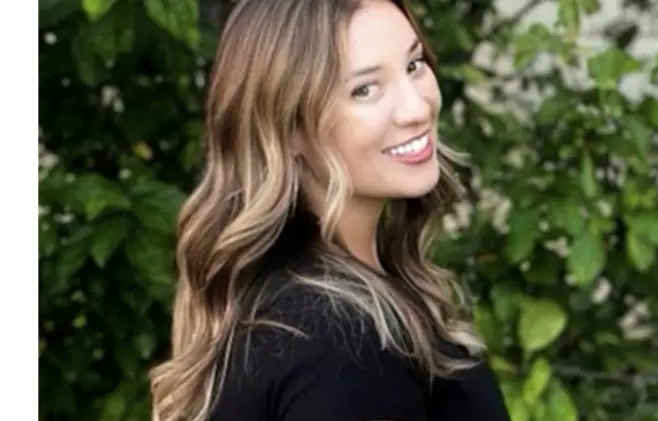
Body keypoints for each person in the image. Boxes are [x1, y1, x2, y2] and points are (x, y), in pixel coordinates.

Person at [149, 0, 511, 420]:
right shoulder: (342, 344)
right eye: (365, 89)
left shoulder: (291, 302)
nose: (417, 108)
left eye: (413, 65)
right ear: (290, 128)